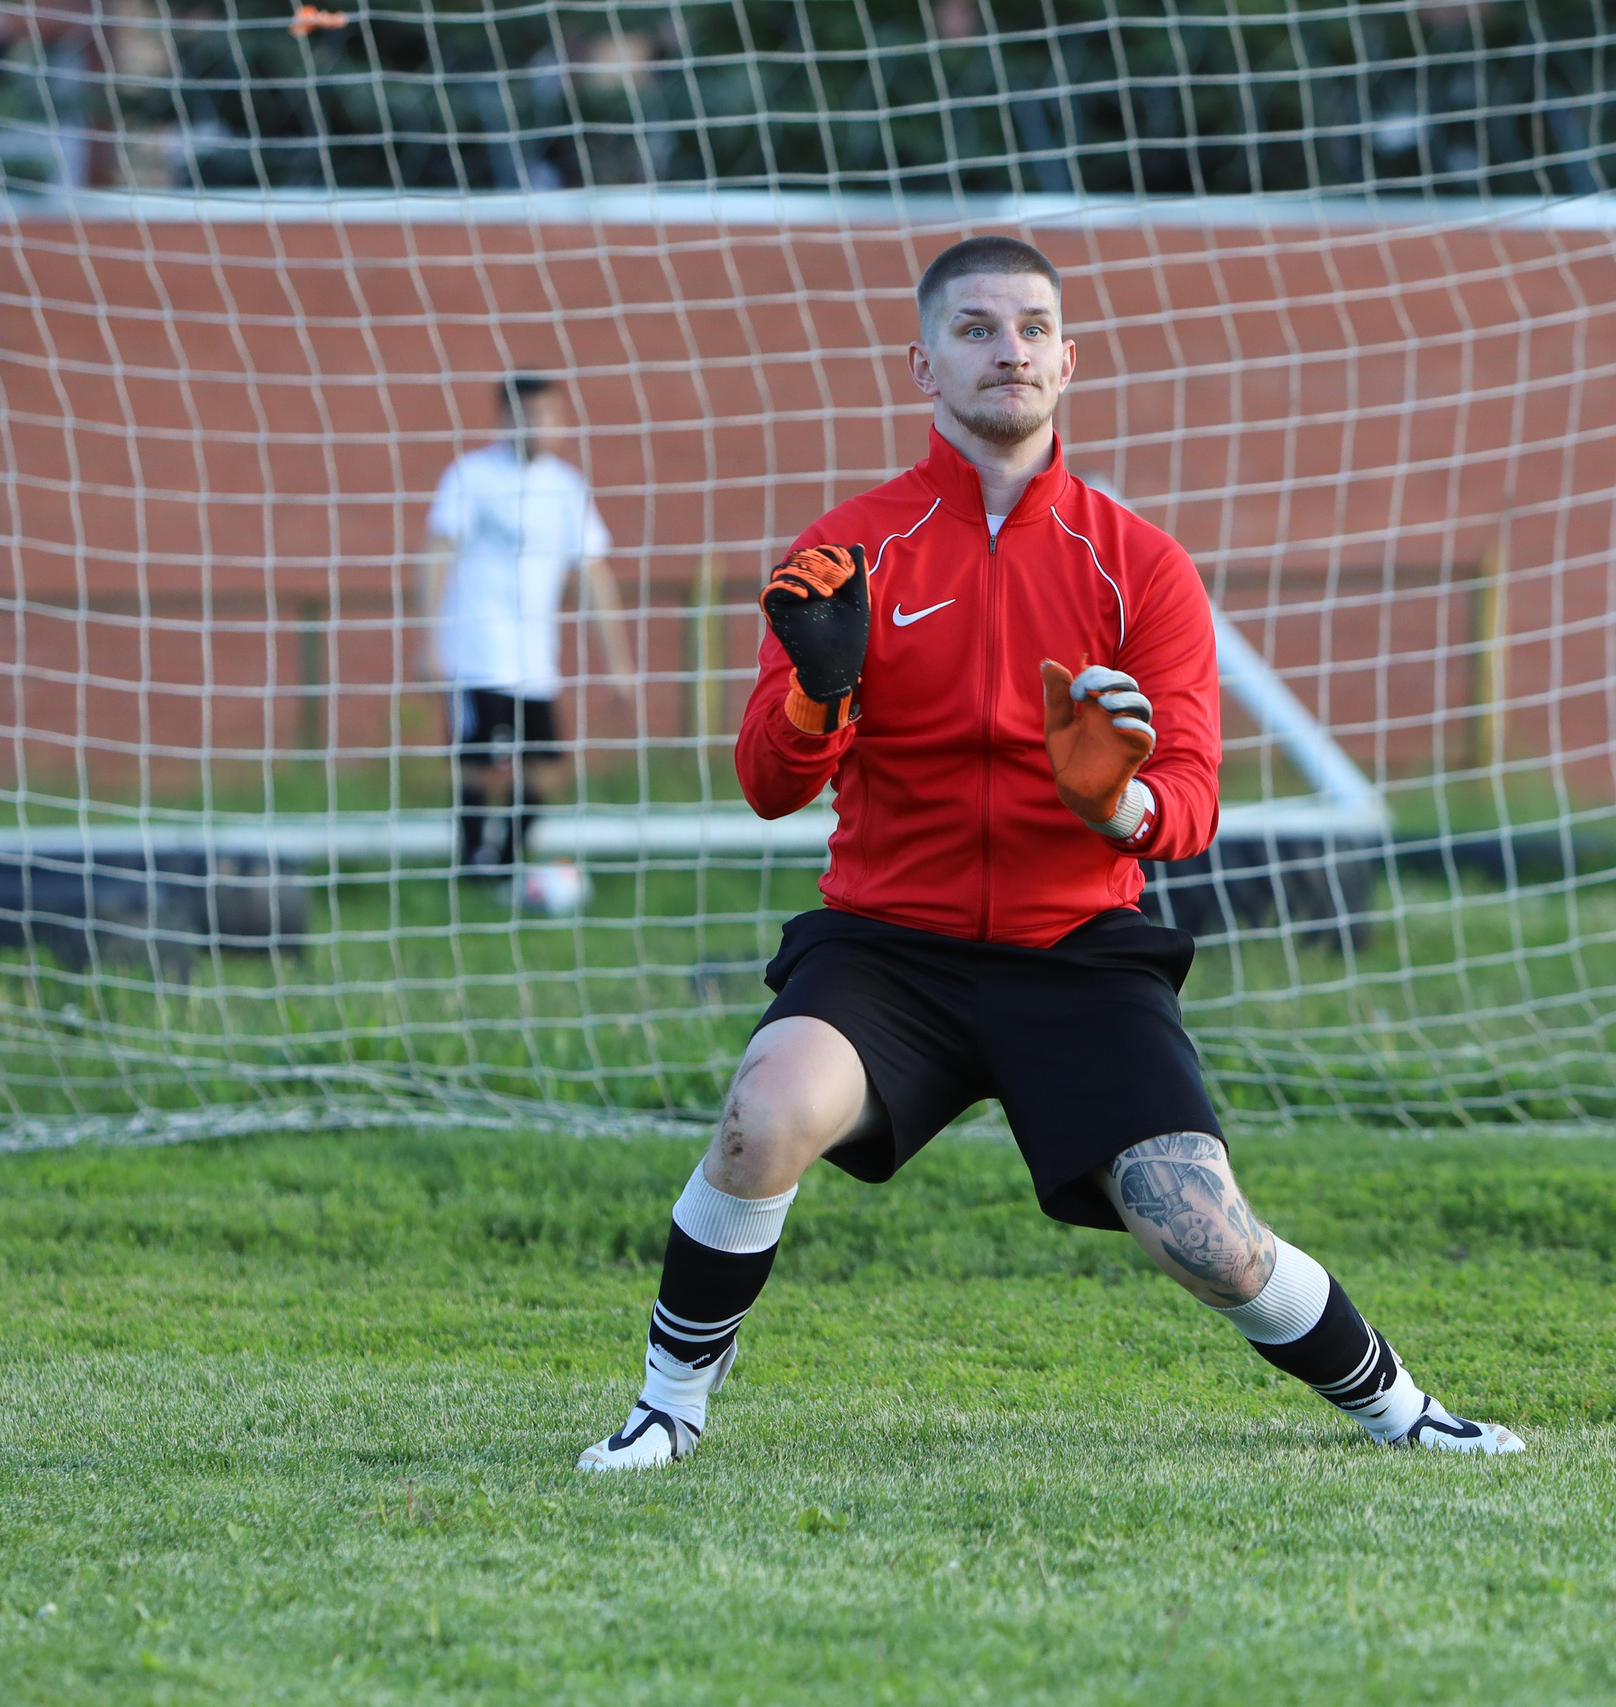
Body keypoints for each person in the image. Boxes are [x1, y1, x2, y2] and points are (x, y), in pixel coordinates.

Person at [579, 237, 1522, 1471]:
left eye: (1031, 328)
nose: (1007, 350)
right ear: (923, 364)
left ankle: (1403, 1409)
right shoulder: (847, 554)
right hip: (887, 946)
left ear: (1068, 360)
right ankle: (666, 1406)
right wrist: (818, 692)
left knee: (1203, 1232)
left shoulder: (1138, 564)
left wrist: (1111, 806)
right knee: (765, 1113)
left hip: (1077, 945)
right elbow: (767, 786)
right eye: (974, 329)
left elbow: (1191, 801)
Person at [418, 375, 635, 874]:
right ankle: (473, 867)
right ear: (506, 418)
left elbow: (593, 574)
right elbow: (435, 556)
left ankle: (506, 863)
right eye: (531, 414)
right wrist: (428, 643)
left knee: (546, 767)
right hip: (476, 653)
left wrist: (619, 662)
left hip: (536, 659)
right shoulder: (471, 476)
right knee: (480, 765)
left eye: (550, 415)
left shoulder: (566, 487)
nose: (542, 425)